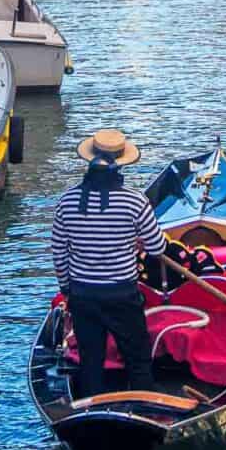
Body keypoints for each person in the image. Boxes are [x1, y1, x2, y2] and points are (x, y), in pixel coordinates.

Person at [51, 129, 166, 396]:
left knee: (91, 361)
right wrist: (133, 240)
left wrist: (67, 289)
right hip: (122, 293)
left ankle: (92, 406)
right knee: (137, 357)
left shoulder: (66, 202)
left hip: (82, 293)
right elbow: (158, 247)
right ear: (120, 165)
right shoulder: (135, 201)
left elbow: (59, 253)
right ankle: (144, 404)